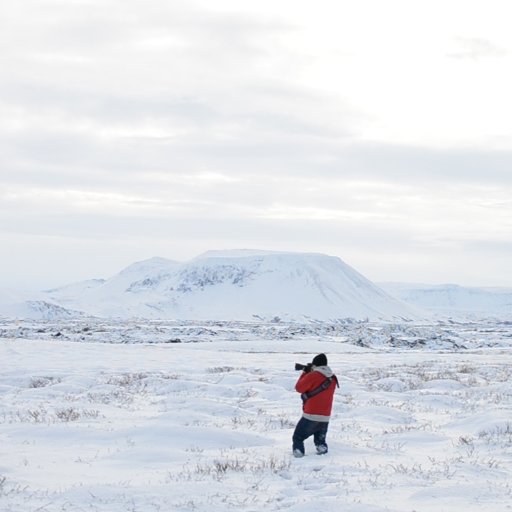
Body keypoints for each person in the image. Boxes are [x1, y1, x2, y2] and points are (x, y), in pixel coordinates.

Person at [292, 353, 338, 457]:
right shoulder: (333, 378)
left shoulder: (313, 375)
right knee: (320, 440)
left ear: (315, 365)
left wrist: (305, 373)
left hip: (311, 414)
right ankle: (322, 449)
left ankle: (298, 453)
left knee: (298, 437)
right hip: (325, 416)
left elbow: (299, 388)